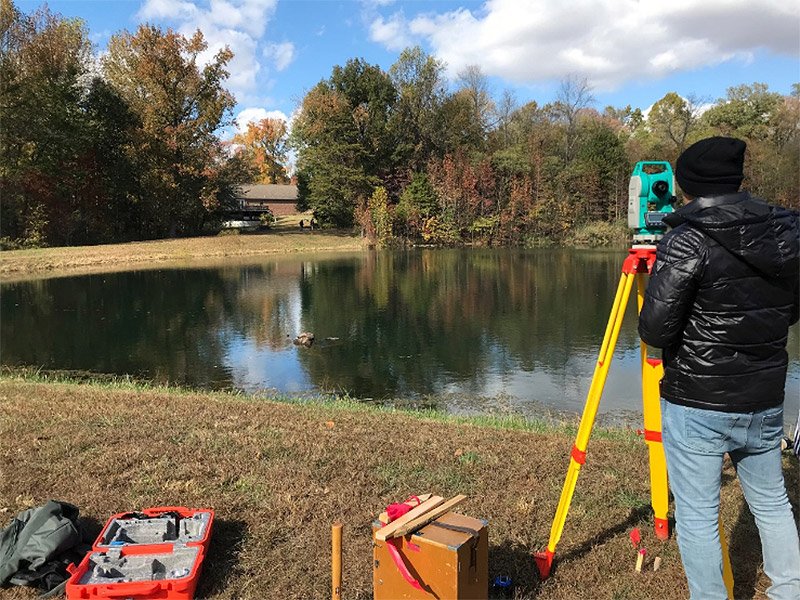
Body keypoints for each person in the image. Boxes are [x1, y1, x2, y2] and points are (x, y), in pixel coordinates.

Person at [638, 136, 800, 599]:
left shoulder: (687, 238)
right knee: (772, 503)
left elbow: (655, 329)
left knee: (697, 515)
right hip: (764, 395)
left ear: (688, 185)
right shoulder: (784, 231)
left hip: (698, 400)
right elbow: (790, 312)